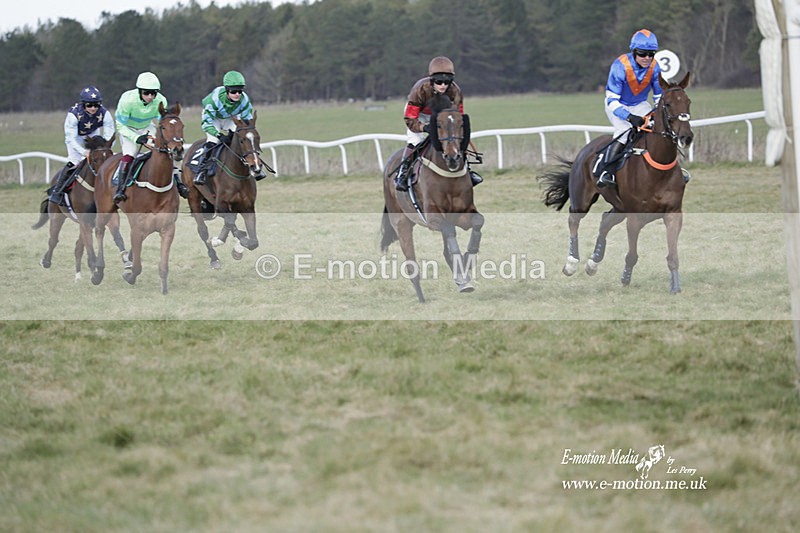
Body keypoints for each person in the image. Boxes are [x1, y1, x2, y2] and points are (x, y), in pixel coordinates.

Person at [395, 56, 483, 191]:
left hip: (442, 114)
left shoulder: (455, 91)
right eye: (439, 81)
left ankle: (467, 171)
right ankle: (403, 173)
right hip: (419, 114)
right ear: (432, 80)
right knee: (415, 140)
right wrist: (424, 127)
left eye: (447, 81)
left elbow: (458, 117)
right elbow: (410, 119)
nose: (443, 85)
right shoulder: (419, 89)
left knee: (454, 139)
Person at [595, 29, 663, 188]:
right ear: (634, 51)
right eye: (642, 53)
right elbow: (612, 101)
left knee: (659, 129)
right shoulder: (620, 66)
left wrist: (658, 114)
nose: (647, 58)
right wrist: (629, 117)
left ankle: (669, 168)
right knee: (624, 133)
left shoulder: (655, 67)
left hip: (640, 105)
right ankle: (607, 171)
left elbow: (659, 96)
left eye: (651, 54)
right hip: (618, 105)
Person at [112, 71, 189, 203]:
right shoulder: (127, 100)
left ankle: (178, 182)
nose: (150, 96)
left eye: (153, 93)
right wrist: (136, 138)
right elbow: (120, 125)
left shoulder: (161, 100)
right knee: (129, 155)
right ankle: (120, 188)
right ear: (139, 91)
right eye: (146, 93)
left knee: (167, 152)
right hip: (128, 129)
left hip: (147, 127)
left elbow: (163, 122)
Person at [49, 86, 116, 204]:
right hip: (75, 138)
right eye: (89, 105)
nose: (93, 108)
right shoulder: (73, 115)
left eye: (96, 105)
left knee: (104, 159)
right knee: (75, 161)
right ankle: (58, 191)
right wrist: (84, 152)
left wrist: (104, 148)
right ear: (83, 104)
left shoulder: (105, 113)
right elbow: (71, 139)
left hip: (92, 133)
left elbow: (110, 135)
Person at [193, 70, 262, 185]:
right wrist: (219, 135)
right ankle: (201, 171)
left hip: (230, 119)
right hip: (213, 120)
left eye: (240, 91)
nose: (237, 94)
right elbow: (206, 124)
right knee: (213, 141)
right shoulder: (213, 100)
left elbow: (247, 120)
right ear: (226, 90)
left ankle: (254, 166)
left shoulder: (244, 100)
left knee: (243, 139)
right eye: (234, 91)